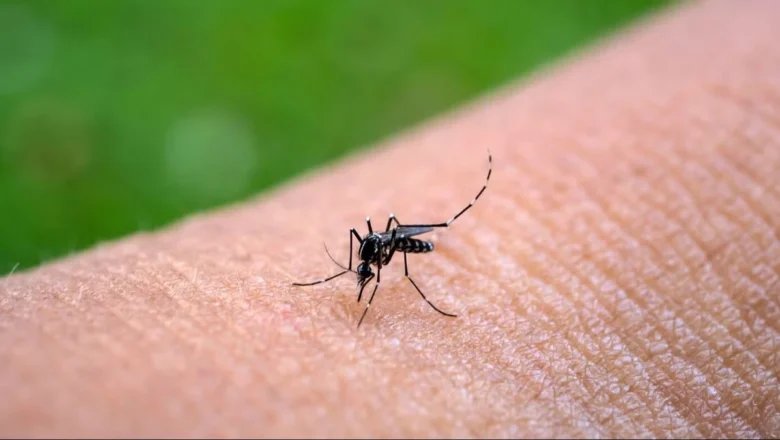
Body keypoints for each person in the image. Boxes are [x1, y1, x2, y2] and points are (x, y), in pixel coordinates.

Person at [1, 0, 778, 437]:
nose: (371, 262)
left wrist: (401, 264)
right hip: (389, 238)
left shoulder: (392, 251)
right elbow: (363, 246)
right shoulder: (365, 249)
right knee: (371, 235)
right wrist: (351, 270)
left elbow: (389, 247)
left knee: (402, 235)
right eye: (370, 260)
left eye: (370, 262)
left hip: (414, 234)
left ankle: (450, 224)